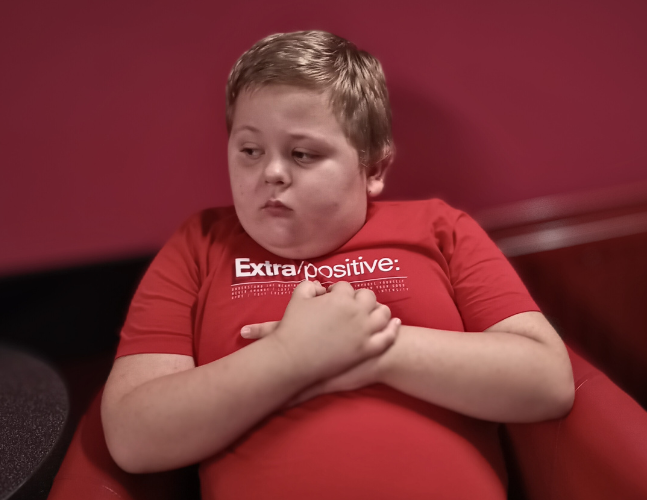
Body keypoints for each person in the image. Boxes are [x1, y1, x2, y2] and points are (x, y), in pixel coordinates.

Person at [101, 31, 574, 499]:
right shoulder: (199, 245)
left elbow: (548, 381)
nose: (271, 172)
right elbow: (133, 437)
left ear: (374, 169)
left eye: (302, 154)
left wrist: (370, 351)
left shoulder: (439, 229)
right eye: (250, 151)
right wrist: (291, 356)